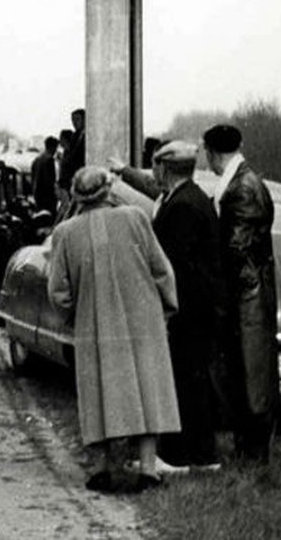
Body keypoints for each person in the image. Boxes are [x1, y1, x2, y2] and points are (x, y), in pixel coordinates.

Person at [47, 166, 182, 493]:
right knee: (148, 389)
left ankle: (101, 468)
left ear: (78, 196)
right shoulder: (136, 218)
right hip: (143, 320)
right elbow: (162, 270)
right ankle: (148, 469)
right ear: (108, 191)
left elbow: (58, 291)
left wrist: (73, 315)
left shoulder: (65, 233)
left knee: (98, 392)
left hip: (94, 325)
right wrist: (166, 307)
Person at [137, 142, 225, 471]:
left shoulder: (182, 206)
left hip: (188, 312)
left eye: (156, 167)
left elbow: (176, 268)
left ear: (164, 168)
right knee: (190, 382)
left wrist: (168, 311)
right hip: (199, 310)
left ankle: (185, 456)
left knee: (185, 383)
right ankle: (195, 455)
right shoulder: (191, 197)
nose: (154, 172)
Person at [202, 123, 278, 464]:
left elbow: (236, 248)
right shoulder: (243, 181)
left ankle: (254, 452)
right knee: (248, 372)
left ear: (211, 153)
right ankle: (249, 449)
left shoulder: (241, 188)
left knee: (252, 373)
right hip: (250, 290)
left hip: (247, 294)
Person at [58, 108, 86, 196]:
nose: (74, 123)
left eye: (77, 119)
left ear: (85, 120)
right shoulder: (74, 136)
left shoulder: (88, 136)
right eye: (73, 120)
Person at [30, 136, 60, 217]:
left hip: (38, 196)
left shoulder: (37, 159)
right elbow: (50, 181)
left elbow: (32, 178)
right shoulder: (49, 160)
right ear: (52, 147)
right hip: (48, 198)